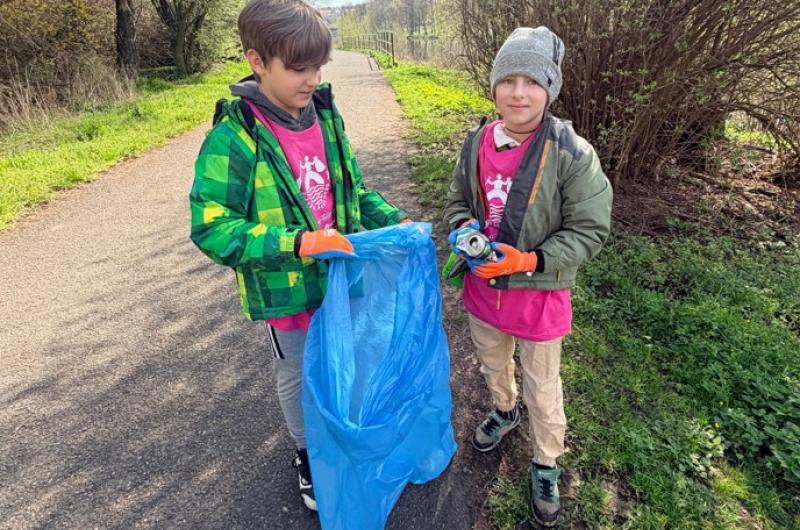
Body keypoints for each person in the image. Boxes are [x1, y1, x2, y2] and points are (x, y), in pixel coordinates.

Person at [189, 0, 409, 512]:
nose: (310, 79)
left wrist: (393, 221)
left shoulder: (326, 114)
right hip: (285, 291)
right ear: (258, 61)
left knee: (342, 363)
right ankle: (308, 453)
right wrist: (297, 241)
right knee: (297, 375)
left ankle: (341, 438)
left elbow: (351, 191)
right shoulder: (235, 137)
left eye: (317, 67)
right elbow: (211, 228)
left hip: (339, 280)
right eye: (297, 68)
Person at [443, 26, 612, 527]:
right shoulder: (476, 142)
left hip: (538, 295)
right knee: (495, 365)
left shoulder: (572, 153)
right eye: (508, 79)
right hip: (484, 292)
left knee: (543, 384)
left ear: (550, 89)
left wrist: (527, 261)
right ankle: (503, 409)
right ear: (493, 85)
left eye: (532, 81)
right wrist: (461, 227)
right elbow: (456, 200)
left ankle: (545, 460)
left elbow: (588, 230)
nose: (519, 92)